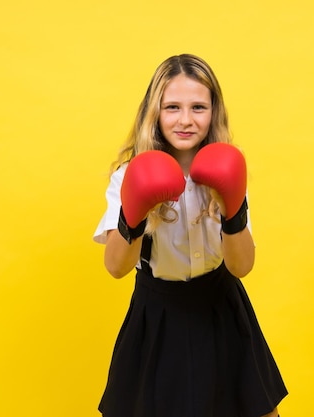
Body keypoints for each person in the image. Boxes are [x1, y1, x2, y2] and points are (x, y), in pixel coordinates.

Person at [93, 54, 287, 417]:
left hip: (221, 306)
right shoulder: (128, 175)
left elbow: (242, 266)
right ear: (154, 112)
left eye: (198, 107)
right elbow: (116, 268)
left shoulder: (228, 167)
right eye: (172, 107)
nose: (185, 119)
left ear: (214, 112)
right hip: (157, 313)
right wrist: (132, 214)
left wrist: (233, 208)